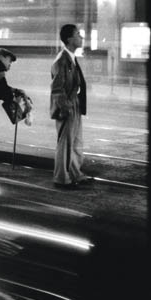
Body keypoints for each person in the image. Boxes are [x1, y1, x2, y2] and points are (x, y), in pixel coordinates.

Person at [50, 24, 92, 188]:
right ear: (69, 39)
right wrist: (67, 108)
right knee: (65, 143)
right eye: (78, 34)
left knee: (75, 142)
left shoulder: (71, 58)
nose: (81, 37)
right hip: (67, 106)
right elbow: (57, 89)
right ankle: (61, 178)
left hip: (75, 104)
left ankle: (75, 173)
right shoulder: (62, 60)